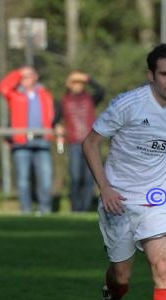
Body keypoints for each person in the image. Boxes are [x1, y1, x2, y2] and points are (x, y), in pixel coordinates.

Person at [82, 43, 166, 300]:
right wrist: (106, 189)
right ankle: (112, 293)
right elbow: (90, 142)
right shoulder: (128, 105)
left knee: (162, 267)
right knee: (122, 275)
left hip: (155, 201)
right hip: (118, 201)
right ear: (151, 75)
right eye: (165, 74)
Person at [0, 66, 55, 215]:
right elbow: (3, 87)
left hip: (42, 140)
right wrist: (18, 72)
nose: (26, 78)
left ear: (36, 77)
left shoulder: (45, 94)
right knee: (23, 179)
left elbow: (52, 115)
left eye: (29, 75)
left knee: (45, 177)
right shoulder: (15, 95)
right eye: (23, 76)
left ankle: (45, 209)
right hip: (21, 141)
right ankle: (26, 210)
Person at [54, 70, 105, 212]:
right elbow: (55, 120)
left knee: (89, 177)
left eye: (81, 83)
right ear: (69, 85)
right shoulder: (63, 101)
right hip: (74, 143)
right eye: (75, 82)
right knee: (75, 177)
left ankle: (85, 207)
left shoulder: (90, 98)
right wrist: (57, 126)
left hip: (91, 143)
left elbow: (101, 90)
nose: (78, 85)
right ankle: (76, 208)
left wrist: (88, 78)